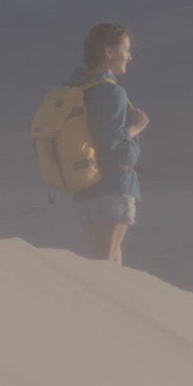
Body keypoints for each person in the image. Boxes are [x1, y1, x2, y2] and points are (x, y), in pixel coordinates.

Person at [67, 22, 147, 264]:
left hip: (85, 187)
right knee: (103, 266)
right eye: (126, 49)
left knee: (109, 262)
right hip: (112, 188)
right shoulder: (113, 93)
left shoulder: (77, 87)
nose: (130, 57)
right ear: (109, 52)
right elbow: (113, 142)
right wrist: (136, 127)